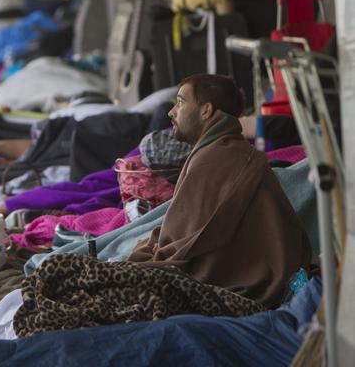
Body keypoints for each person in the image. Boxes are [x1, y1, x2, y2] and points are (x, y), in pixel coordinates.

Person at [127, 73, 312, 308]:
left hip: (256, 289)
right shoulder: (224, 151)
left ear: (206, 111)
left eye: (181, 103)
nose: (171, 112)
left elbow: (178, 248)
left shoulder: (214, 160)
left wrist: (140, 255)